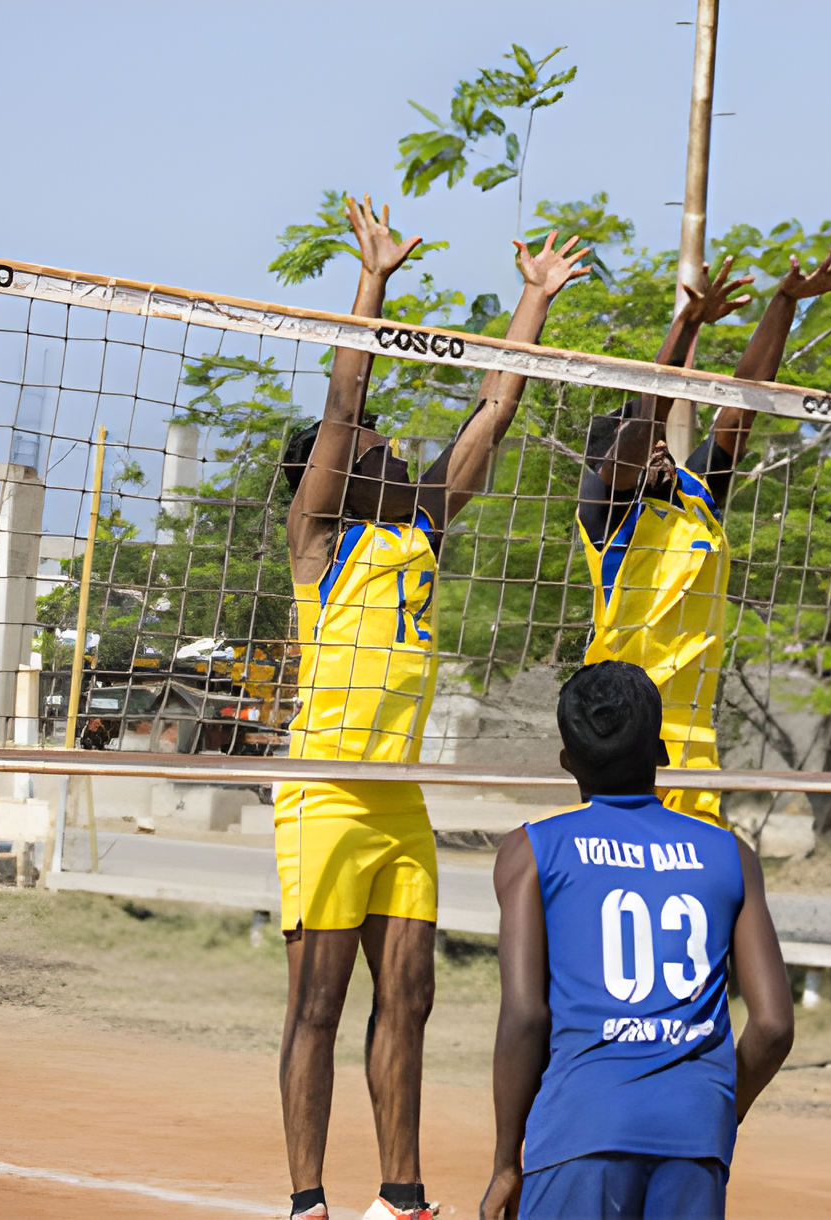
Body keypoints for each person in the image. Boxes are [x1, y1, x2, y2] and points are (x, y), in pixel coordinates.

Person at [273, 194, 591, 1220]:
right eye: (374, 450)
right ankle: (308, 1200)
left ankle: (401, 1198)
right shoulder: (321, 540)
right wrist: (372, 280)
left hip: (397, 796)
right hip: (324, 792)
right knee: (317, 1005)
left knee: (410, 995)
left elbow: (494, 409)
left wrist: (534, 299)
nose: (392, 450)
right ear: (334, 477)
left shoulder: (424, 530)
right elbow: (342, 403)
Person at [478, 660, 795, 1219]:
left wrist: (507, 1161)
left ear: (567, 760)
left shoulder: (531, 851)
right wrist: (720, 1110)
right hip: (694, 1134)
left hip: (581, 1126)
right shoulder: (730, 854)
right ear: (662, 753)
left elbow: (526, 1015)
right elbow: (772, 1026)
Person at [577, 246, 831, 824]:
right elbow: (649, 415)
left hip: (693, 732)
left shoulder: (696, 494)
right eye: (642, 444)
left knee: (701, 869)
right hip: (621, 724)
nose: (657, 447)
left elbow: (743, 399)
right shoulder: (606, 513)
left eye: (661, 444)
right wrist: (687, 325)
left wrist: (784, 301)